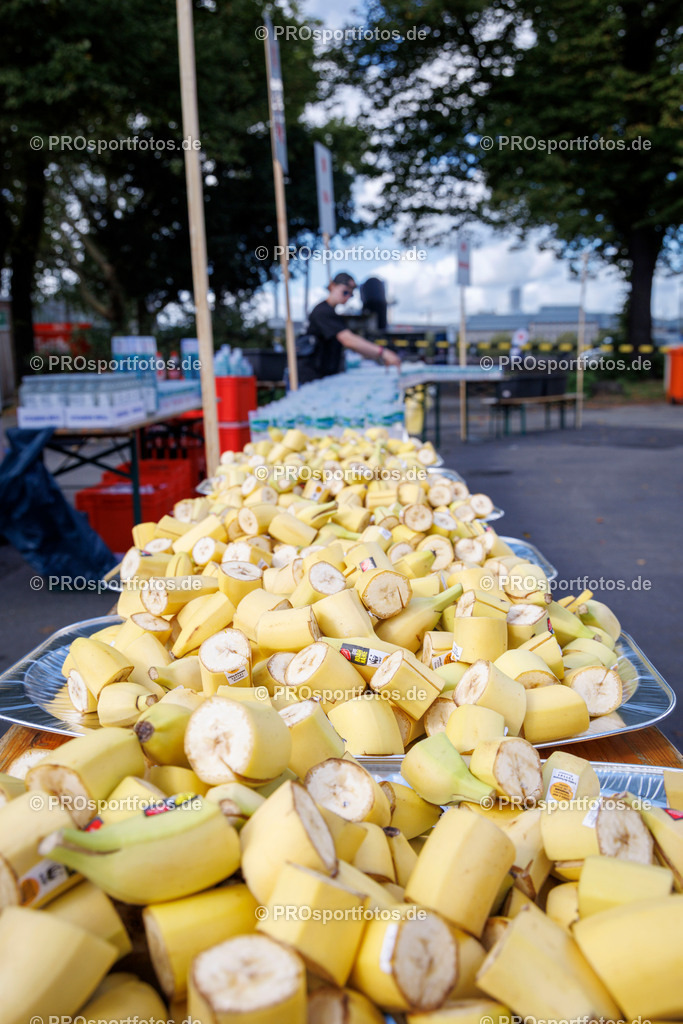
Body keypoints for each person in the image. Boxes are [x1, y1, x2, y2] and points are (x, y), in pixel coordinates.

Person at [298, 272, 401, 383]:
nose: (347, 297)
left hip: (321, 374)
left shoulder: (330, 312)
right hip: (311, 376)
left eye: (351, 295)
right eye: (345, 292)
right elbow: (348, 340)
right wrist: (382, 352)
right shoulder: (323, 312)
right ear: (332, 286)